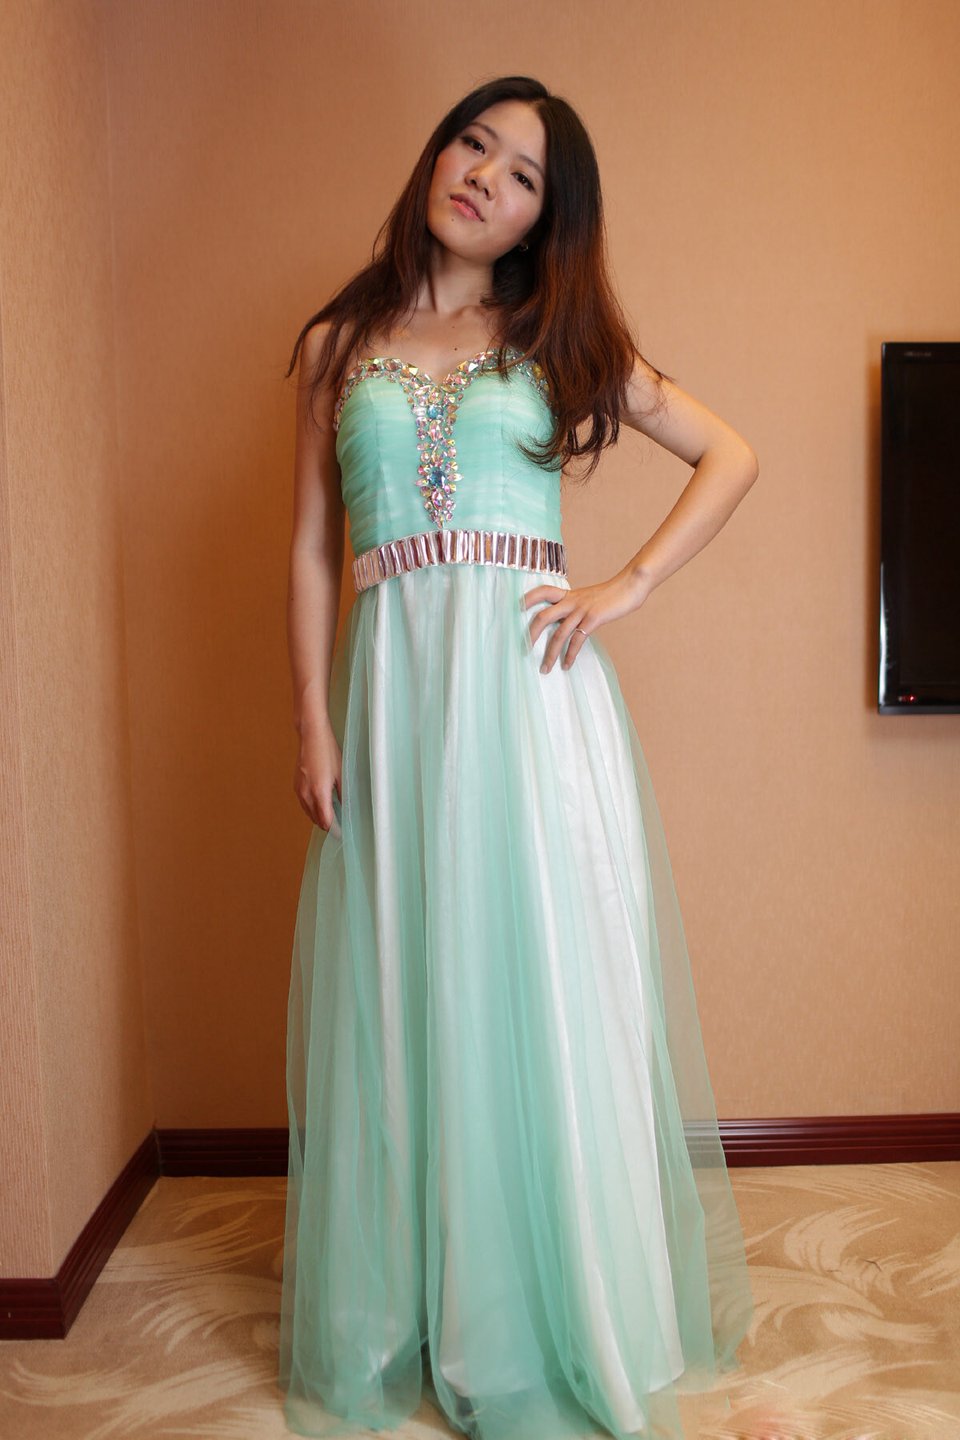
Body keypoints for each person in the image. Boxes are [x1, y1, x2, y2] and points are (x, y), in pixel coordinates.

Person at [278, 75, 757, 1440]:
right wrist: (312, 716)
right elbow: (312, 548)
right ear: (438, 154)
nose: (486, 174)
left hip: (533, 704)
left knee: (537, 985)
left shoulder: (555, 336)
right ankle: (416, 1302)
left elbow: (728, 452)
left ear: (545, 218)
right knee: (407, 986)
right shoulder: (336, 343)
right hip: (394, 706)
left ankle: (538, 1315)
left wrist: (627, 586)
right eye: (475, 142)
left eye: (526, 173)